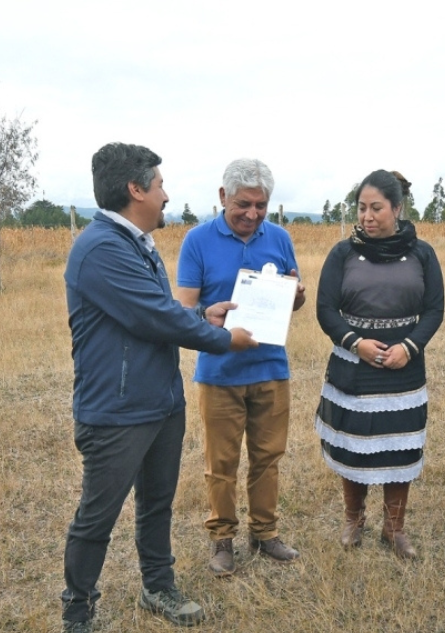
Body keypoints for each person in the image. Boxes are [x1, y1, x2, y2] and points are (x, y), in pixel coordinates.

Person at [60, 143, 256, 631]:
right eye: (161, 185)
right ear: (135, 190)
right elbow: (153, 314)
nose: (166, 195)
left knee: (156, 504)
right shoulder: (102, 246)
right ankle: (78, 609)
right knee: (97, 516)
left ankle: (158, 586)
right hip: (117, 411)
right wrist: (219, 337)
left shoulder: (134, 242)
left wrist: (198, 314)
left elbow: (153, 312)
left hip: (160, 403)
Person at [176, 158, 305, 577]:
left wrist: (296, 295)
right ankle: (222, 539)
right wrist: (204, 316)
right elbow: (182, 312)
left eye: (261, 205)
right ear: (222, 198)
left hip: (270, 369)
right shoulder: (196, 241)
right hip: (219, 374)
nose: (252, 214)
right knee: (221, 463)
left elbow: (292, 300)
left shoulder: (280, 238)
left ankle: (265, 533)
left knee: (268, 458)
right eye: (243, 205)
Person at [315, 169, 444, 560]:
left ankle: (394, 527)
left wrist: (409, 345)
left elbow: (435, 310)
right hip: (353, 367)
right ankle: (354, 519)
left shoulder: (423, 253)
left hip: (403, 367)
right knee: (355, 445)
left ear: (397, 208)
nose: (367, 217)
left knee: (398, 448)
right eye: (361, 208)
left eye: (376, 208)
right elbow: (325, 309)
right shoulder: (342, 253)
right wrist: (355, 343)